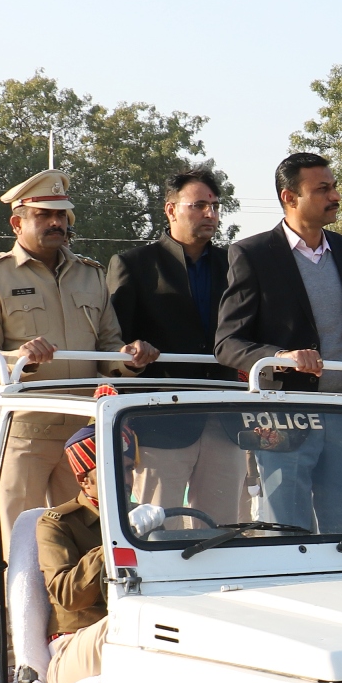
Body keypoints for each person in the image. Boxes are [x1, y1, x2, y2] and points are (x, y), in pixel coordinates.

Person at [0, 169, 158, 552]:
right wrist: (22, 360)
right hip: (24, 434)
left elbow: (108, 347)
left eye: (62, 216)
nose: (57, 223)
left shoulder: (90, 274)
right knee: (23, 548)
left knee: (89, 543)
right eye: (44, 215)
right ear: (17, 222)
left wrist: (131, 358)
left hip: (83, 436)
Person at [212, 151, 342, 531]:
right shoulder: (251, 254)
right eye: (323, 189)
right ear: (289, 197)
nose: (335, 197)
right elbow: (228, 343)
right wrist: (281, 356)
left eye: (333, 187)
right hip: (284, 416)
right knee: (288, 531)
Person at [111, 168, 240, 526]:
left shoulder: (235, 264)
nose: (210, 214)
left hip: (224, 417)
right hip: (160, 422)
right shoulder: (134, 265)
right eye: (198, 205)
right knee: (156, 531)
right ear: (171, 210)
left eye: (214, 206)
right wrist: (133, 349)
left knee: (224, 532)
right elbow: (113, 340)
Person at [38, 423, 109, 683]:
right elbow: (69, 595)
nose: (125, 479)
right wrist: (114, 544)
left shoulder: (139, 516)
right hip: (71, 646)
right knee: (133, 623)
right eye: (111, 471)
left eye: (127, 470)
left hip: (118, 636)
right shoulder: (57, 523)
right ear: (83, 481)